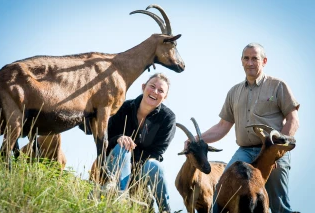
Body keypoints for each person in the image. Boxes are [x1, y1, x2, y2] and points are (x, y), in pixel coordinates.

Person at [185, 43, 300, 213]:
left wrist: (277, 152)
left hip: (272, 151)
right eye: (246, 58)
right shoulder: (234, 92)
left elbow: (293, 120)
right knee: (222, 188)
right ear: (241, 61)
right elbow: (222, 127)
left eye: (255, 58)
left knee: (278, 202)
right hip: (244, 151)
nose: (250, 62)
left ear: (264, 61)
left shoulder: (278, 86)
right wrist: (194, 139)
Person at [102, 73, 175, 213]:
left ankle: (165, 209)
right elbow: (106, 138)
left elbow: (157, 152)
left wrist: (133, 162)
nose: (155, 92)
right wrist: (118, 138)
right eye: (152, 86)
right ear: (143, 87)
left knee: (155, 165)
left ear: (165, 97)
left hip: (141, 168)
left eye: (161, 91)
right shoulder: (124, 107)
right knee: (123, 148)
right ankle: (120, 199)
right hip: (115, 164)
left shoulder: (168, 118)